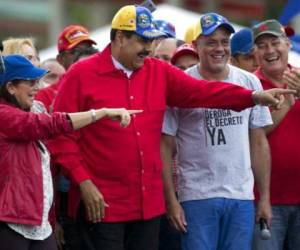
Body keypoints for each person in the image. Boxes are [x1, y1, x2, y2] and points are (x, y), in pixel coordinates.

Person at [48, 5, 294, 250]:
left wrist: (252, 97)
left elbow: (203, 92)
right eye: (142, 40)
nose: (148, 48)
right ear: (120, 38)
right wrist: (84, 182)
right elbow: (59, 135)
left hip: (148, 208)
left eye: (152, 40)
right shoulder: (81, 74)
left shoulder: (158, 71)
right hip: (102, 205)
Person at [0, 54, 139, 250]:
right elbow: (51, 124)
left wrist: (52, 219)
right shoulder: (4, 115)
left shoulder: (31, 111)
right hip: (10, 220)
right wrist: (101, 113)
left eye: (37, 81)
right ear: (10, 87)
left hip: (37, 220)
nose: (37, 88)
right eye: (30, 82)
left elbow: (44, 179)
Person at [161, 12, 273, 250]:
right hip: (197, 197)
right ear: (196, 46)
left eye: (224, 42)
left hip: (241, 197)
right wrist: (172, 201)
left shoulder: (249, 81)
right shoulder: (181, 83)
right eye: (211, 42)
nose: (219, 48)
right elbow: (165, 144)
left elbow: (259, 142)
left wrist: (264, 198)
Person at [251, 19, 300, 250]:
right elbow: (255, 133)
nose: (270, 50)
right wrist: (289, 102)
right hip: (265, 202)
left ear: (288, 44)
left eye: (275, 42)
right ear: (255, 53)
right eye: (262, 46)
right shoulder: (250, 86)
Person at [35, 24, 98, 112]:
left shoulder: (103, 83)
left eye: (88, 49)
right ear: (60, 59)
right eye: (76, 51)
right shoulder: (46, 95)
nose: (83, 55)